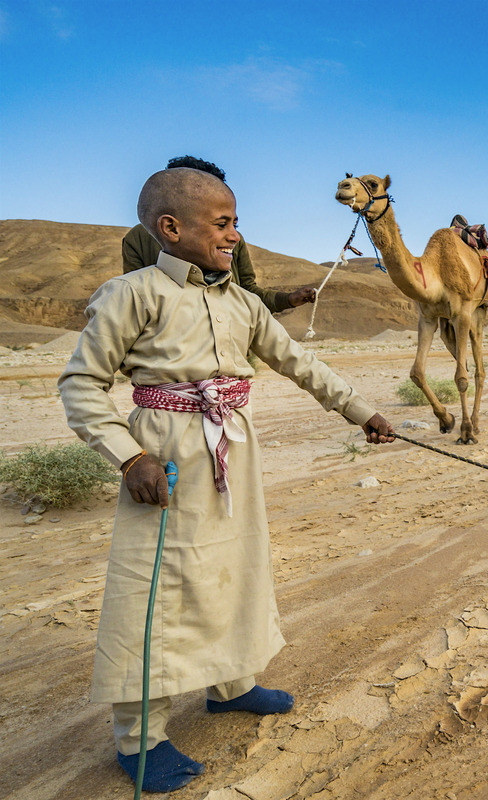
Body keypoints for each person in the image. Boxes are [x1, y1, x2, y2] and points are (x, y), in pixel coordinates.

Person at [59, 167, 397, 792]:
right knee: (153, 594)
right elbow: (80, 384)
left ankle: (231, 684)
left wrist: (361, 410)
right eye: (223, 224)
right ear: (171, 228)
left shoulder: (240, 302)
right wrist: (128, 457)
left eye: (235, 222)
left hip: (232, 450)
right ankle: (140, 740)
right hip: (161, 458)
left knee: (234, 569)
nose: (235, 235)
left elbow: (298, 361)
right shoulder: (130, 294)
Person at [122, 155, 316, 312]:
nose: (233, 236)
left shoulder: (232, 242)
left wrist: (289, 299)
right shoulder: (137, 240)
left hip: (234, 350)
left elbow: (248, 293)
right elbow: (137, 302)